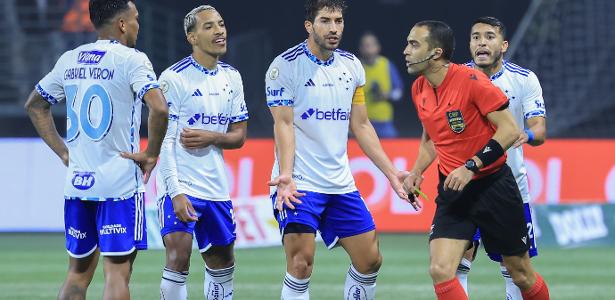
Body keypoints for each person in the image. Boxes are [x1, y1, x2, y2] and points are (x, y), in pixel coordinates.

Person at [265, 1, 416, 299]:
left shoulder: (352, 66)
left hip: (340, 183)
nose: (334, 28)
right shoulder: (284, 66)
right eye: (325, 21)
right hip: (300, 183)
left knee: (370, 260)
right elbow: (283, 125)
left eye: (338, 21)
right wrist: (285, 175)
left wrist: (391, 173)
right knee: (300, 265)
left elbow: (361, 125)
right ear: (309, 26)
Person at [24, 0, 168, 299]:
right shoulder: (132, 60)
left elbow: (35, 105)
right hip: (118, 184)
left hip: (77, 183)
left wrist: (63, 152)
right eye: (136, 18)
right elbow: (159, 109)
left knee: (77, 274)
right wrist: (151, 154)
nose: (138, 25)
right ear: (122, 24)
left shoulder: (70, 59)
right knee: (117, 274)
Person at [401, 20, 550, 300]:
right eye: (408, 43)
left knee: (520, 273)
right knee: (441, 268)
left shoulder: (472, 82)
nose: (406, 50)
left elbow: (508, 129)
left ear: (435, 52)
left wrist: (471, 167)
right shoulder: (419, 88)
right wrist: (416, 172)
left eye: (413, 44)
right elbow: (432, 138)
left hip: (493, 186)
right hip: (454, 190)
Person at [156, 5, 248, 300]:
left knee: (222, 262)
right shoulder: (173, 79)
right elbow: (165, 141)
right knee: (178, 257)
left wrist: (212, 136)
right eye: (209, 26)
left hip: (215, 186)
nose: (219, 31)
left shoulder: (232, 77)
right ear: (192, 37)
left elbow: (238, 137)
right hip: (181, 182)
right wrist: (175, 192)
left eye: (221, 24)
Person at [453, 16, 548, 300]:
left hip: (509, 188)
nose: (482, 42)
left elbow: (540, 130)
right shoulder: (455, 78)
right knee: (453, 260)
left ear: (503, 45)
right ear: (470, 44)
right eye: (476, 37)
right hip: (464, 183)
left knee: (515, 269)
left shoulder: (523, 79)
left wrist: (526, 136)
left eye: (489, 36)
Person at [358, 31, 404, 138]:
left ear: (378, 47)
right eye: (366, 46)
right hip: (362, 123)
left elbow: (399, 91)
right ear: (361, 48)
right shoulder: (356, 67)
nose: (369, 49)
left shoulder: (387, 65)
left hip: (384, 122)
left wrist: (387, 95)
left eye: (371, 45)